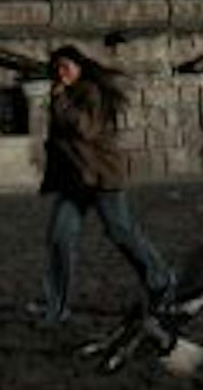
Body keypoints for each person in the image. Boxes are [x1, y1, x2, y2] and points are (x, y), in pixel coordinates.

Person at [34, 43, 172, 326]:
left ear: (79, 67)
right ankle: (56, 307)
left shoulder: (89, 92)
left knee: (121, 232)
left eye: (66, 67)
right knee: (59, 237)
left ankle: (162, 282)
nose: (61, 74)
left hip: (100, 177)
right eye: (57, 68)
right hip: (75, 182)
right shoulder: (67, 94)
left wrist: (60, 102)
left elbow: (86, 129)